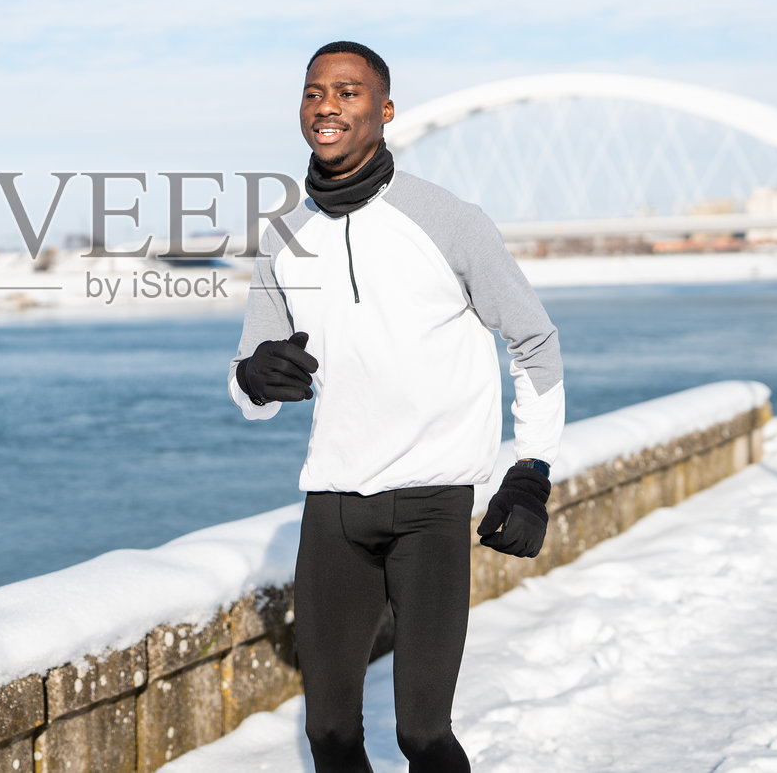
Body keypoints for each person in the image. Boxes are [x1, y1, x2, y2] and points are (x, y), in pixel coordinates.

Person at [228, 42, 565, 773]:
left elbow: (533, 340)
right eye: (315, 91)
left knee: (421, 733)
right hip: (334, 504)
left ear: (384, 111)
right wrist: (254, 375)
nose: (327, 105)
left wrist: (531, 469)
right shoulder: (284, 236)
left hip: (431, 506)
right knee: (331, 736)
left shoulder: (448, 219)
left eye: (348, 92)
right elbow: (249, 383)